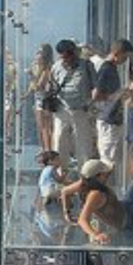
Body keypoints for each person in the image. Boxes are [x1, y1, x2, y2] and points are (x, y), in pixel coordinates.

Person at [61, 152, 133, 245]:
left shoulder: (83, 182)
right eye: (105, 173)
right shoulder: (95, 195)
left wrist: (67, 212)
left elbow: (64, 191)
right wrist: (95, 235)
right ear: (98, 176)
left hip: (124, 205)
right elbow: (82, 220)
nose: (108, 174)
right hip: (130, 219)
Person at [50, 39, 97, 170]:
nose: (67, 58)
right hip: (61, 110)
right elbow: (52, 86)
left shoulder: (87, 65)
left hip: (80, 110)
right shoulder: (56, 67)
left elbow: (95, 87)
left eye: (69, 54)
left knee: (83, 145)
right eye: (64, 56)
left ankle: (85, 175)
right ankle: (60, 173)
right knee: (60, 143)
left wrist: (91, 103)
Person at [92, 39, 133, 167]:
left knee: (112, 158)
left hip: (112, 118)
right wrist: (117, 95)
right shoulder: (106, 69)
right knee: (108, 160)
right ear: (117, 53)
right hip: (108, 119)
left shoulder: (112, 68)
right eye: (125, 56)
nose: (126, 60)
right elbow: (95, 95)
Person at [26, 44, 55, 152]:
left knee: (45, 128)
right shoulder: (41, 68)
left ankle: (48, 151)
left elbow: (38, 86)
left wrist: (31, 75)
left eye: (39, 52)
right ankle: (45, 150)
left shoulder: (47, 69)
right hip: (39, 100)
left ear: (44, 55)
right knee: (42, 128)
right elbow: (34, 87)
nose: (36, 55)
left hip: (44, 101)